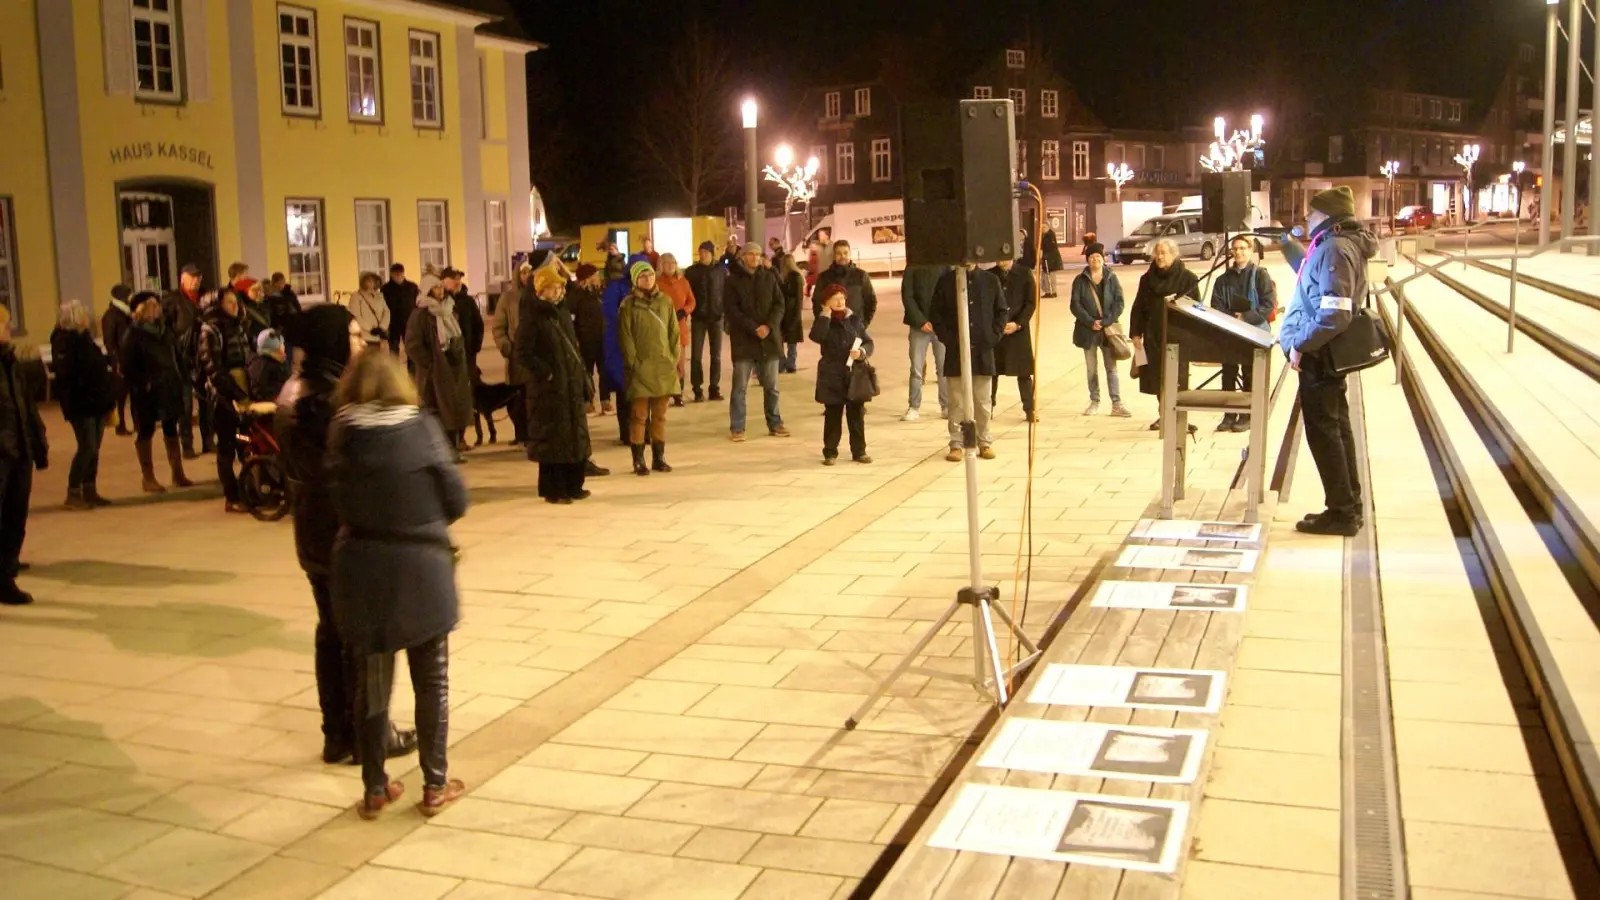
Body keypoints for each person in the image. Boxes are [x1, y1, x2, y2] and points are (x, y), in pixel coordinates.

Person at [327, 350, 466, 818]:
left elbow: (334, 499)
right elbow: (456, 497)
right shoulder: (421, 427)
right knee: (432, 680)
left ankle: (374, 787)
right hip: (421, 565)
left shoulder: (342, 433)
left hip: (361, 567)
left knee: (372, 682)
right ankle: (435, 784)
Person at [279, 305, 416, 767]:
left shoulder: (296, 389)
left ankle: (337, 734)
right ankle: (368, 736)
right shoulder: (326, 400)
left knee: (332, 634)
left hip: (314, 536)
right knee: (360, 639)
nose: (362, 343)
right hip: (341, 537)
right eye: (354, 335)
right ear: (333, 341)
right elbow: (349, 473)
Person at [1282, 185, 1378, 536]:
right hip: (1325, 354)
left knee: (1326, 434)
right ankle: (1348, 505)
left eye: (1312, 213)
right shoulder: (1335, 245)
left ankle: (1341, 512)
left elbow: (1334, 312)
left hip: (1320, 356)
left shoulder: (1335, 248)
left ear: (1327, 216)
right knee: (1337, 430)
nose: (1307, 218)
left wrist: (1301, 345)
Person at [517, 263, 594, 503]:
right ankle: (554, 489)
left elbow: (573, 347)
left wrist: (581, 377)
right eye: (553, 288)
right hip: (548, 390)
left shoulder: (561, 313)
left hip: (569, 383)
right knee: (553, 439)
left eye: (560, 288)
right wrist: (546, 373)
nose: (559, 292)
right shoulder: (532, 317)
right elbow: (523, 353)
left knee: (573, 435)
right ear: (541, 290)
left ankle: (574, 484)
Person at [930, 264, 1007, 461]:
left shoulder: (990, 280)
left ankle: (984, 441)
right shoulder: (946, 281)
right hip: (956, 351)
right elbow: (936, 314)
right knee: (956, 401)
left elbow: (1001, 311)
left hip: (983, 351)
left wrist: (992, 336)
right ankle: (956, 443)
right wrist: (949, 339)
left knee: (982, 401)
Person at [121, 291, 193, 492]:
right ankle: (148, 477)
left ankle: (177, 473)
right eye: (150, 305)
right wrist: (143, 383)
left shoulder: (164, 331)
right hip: (147, 391)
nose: (155, 309)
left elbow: (176, 356)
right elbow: (127, 367)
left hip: (169, 386)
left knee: (171, 428)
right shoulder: (133, 334)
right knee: (146, 430)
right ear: (140, 310)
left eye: (156, 305)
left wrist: (183, 377)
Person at [1128, 238, 1201, 433]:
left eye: (1163, 253)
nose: (1159, 257)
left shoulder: (1188, 278)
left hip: (1179, 337)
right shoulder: (1147, 279)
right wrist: (1135, 333)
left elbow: (1196, 310)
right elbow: (1138, 308)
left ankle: (1178, 417)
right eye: (1157, 253)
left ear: (1174, 254)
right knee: (1157, 377)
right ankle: (1164, 414)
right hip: (1153, 336)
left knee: (1178, 378)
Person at [0, 306, 46, 606]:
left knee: (15, 518)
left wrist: (38, 443)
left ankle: (5, 577)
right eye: (5, 323)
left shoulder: (10, 362)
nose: (9, 327)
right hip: (2, 453)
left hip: (19, 451)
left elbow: (26, 407)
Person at [1210, 235, 1278, 432]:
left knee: (1249, 373)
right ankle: (1229, 414)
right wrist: (1231, 319)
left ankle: (1247, 414)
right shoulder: (1223, 279)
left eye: (1242, 248)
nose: (1238, 252)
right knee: (1228, 373)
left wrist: (1246, 318)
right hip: (1230, 333)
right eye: (1235, 249)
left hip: (1253, 331)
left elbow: (1268, 304)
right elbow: (1216, 305)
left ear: (1250, 250)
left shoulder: (1260, 275)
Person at [618, 260, 680, 475]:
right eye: (643, 276)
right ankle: (638, 459)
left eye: (651, 275)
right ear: (636, 280)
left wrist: (673, 358)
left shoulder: (666, 302)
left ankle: (659, 457)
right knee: (639, 415)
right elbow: (626, 338)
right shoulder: (628, 305)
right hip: (641, 368)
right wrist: (634, 363)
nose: (648, 279)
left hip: (663, 366)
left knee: (660, 415)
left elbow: (674, 332)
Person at [49, 301, 114, 510]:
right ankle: (73, 491)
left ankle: (90, 488)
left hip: (96, 402)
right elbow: (68, 375)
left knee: (94, 448)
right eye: (84, 314)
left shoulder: (84, 339)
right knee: (87, 447)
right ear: (75, 317)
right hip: (81, 404)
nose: (88, 318)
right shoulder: (64, 342)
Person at [724, 242, 789, 441]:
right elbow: (732, 310)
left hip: (769, 341)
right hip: (744, 341)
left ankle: (775, 423)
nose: (754, 258)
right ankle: (737, 427)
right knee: (739, 389)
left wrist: (768, 326)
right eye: (750, 254)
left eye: (757, 254)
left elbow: (780, 304)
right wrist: (753, 327)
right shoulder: (733, 281)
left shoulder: (769, 277)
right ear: (742, 257)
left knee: (772, 387)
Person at [405, 273, 473, 462]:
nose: (440, 291)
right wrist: (430, 363)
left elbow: (457, 334)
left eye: (441, 287)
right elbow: (412, 344)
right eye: (436, 288)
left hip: (454, 367)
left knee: (454, 411)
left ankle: (453, 448)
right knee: (437, 412)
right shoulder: (420, 314)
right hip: (434, 373)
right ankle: (439, 452)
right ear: (428, 290)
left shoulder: (448, 308)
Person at [198, 289, 253, 514]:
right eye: (230, 303)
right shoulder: (210, 331)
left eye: (236, 302)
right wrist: (233, 393)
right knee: (227, 447)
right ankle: (231, 496)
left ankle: (249, 489)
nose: (235, 306)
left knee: (245, 440)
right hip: (223, 398)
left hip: (242, 394)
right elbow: (213, 368)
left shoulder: (238, 326)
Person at [810, 284, 873, 465]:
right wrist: (825, 316)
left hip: (854, 373)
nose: (840, 302)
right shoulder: (823, 320)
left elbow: (869, 342)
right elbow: (816, 337)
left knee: (856, 415)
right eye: (835, 298)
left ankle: (859, 451)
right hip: (831, 374)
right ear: (826, 302)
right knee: (833, 415)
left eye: (842, 298)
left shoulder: (853, 320)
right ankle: (830, 452)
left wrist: (861, 352)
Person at [1069, 244, 1131, 418]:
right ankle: (1094, 400)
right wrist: (1090, 322)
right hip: (1088, 331)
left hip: (1107, 331)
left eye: (1098, 257)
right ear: (1087, 260)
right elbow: (1075, 304)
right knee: (1091, 369)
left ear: (1103, 259)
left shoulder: (1112, 278)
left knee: (1111, 368)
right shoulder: (1080, 280)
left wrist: (1106, 321)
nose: (1095, 260)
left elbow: (1119, 302)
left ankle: (1116, 403)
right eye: (1091, 257)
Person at [162, 263, 207, 457]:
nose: (195, 281)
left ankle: (208, 440)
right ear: (182, 278)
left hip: (204, 356)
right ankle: (187, 444)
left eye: (198, 277)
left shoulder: (205, 297)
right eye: (191, 277)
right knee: (186, 405)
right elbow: (166, 329)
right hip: (183, 358)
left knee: (207, 403)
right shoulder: (172, 300)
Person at [900, 263, 949, 421]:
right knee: (916, 368)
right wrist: (920, 320)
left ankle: (946, 406)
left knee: (944, 368)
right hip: (918, 326)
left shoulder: (945, 265)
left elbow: (949, 293)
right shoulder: (913, 266)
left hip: (941, 325)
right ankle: (914, 406)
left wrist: (940, 320)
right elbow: (907, 295)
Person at [991, 257, 1038, 422]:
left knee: (1024, 372)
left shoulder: (1024, 273)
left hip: (1018, 330)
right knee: (992, 372)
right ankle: (987, 407)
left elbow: (1031, 302)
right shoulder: (990, 275)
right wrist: (997, 324)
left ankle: (1030, 409)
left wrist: (1018, 323)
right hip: (996, 331)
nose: (1001, 261)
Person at [493, 262, 535, 445]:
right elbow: (498, 327)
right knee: (518, 400)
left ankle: (534, 434)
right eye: (523, 272)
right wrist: (506, 346)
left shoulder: (538, 294)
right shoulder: (508, 298)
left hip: (536, 356)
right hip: (516, 357)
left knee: (534, 398)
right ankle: (522, 434)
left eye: (530, 272)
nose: (527, 276)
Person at [442, 268, 484, 450]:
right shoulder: (441, 303)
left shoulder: (467, 302)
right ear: (444, 281)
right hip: (447, 358)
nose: (457, 281)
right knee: (449, 398)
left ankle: (462, 437)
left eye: (459, 278)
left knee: (465, 398)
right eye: (453, 279)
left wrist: (474, 349)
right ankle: (450, 439)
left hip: (466, 357)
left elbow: (478, 325)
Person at [685, 241, 727, 402]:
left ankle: (714, 388)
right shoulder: (692, 272)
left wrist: (724, 312)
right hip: (699, 318)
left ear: (711, 253)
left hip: (717, 318)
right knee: (696, 356)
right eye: (700, 252)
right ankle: (697, 389)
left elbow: (726, 292)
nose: (702, 255)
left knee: (715, 355)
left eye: (705, 252)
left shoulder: (721, 271)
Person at [654, 254, 696, 406]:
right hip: (662, 327)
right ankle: (664, 393)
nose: (670, 265)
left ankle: (678, 394)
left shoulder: (683, 282)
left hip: (680, 326)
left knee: (680, 362)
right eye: (667, 263)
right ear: (661, 265)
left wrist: (685, 310)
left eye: (673, 263)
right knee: (665, 362)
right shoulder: (656, 282)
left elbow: (692, 301)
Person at [569, 264, 608, 414]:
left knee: (604, 371)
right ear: (587, 279)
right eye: (595, 275)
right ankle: (587, 401)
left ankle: (605, 401)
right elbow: (571, 320)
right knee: (587, 372)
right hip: (585, 340)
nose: (597, 277)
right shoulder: (576, 296)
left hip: (602, 338)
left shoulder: (601, 293)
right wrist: (575, 339)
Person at [811, 240, 878, 325]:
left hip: (856, 328)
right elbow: (817, 302)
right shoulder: (824, 277)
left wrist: (863, 324)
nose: (842, 256)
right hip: (832, 329)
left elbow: (871, 301)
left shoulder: (861, 275)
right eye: (838, 253)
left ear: (850, 254)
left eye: (845, 253)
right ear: (834, 255)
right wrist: (823, 323)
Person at [102, 284, 135, 436]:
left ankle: (137, 422)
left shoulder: (127, 314)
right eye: (129, 295)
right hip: (120, 360)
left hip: (130, 357)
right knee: (120, 395)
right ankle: (119, 424)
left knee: (135, 392)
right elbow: (110, 342)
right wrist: (116, 361)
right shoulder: (111, 316)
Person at [776, 253, 805, 374]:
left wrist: (797, 315)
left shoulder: (794, 277)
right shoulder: (786, 277)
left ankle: (789, 364)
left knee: (789, 341)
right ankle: (787, 364)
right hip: (787, 313)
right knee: (787, 341)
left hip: (791, 313)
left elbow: (798, 298)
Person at [350, 272, 391, 353]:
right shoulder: (356, 296)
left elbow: (386, 312)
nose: (371, 282)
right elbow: (355, 315)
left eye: (373, 280)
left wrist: (382, 327)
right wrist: (371, 328)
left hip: (380, 336)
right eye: (369, 280)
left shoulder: (379, 296)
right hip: (365, 336)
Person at [381, 263, 417, 354]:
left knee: (411, 348)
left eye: (399, 273)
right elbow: (383, 306)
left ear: (403, 273)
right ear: (391, 274)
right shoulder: (386, 289)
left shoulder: (412, 287)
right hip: (393, 322)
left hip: (409, 321)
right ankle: (394, 367)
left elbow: (417, 302)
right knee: (393, 349)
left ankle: (411, 368)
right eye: (395, 273)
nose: (398, 276)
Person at [250, 330, 291, 402]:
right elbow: (259, 391)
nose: (283, 347)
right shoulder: (261, 363)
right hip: (272, 400)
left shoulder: (280, 361)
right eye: (280, 344)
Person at [1041, 225, 1063, 298]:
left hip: (1050, 259)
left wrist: (1044, 256)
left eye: (1043, 227)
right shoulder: (1046, 235)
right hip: (1049, 258)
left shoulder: (1049, 236)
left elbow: (1048, 247)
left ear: (1048, 227)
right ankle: (1050, 291)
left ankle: (1051, 291)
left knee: (1049, 275)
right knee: (1047, 276)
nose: (1042, 229)